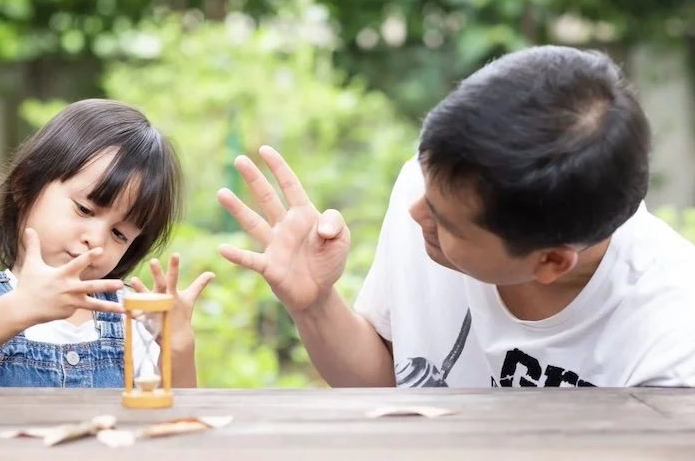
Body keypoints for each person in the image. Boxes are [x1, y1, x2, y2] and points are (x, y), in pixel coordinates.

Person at [217, 45, 695, 388]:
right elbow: (387, 382)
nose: (416, 212)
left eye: (447, 223)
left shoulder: (671, 339)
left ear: (550, 262)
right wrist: (315, 303)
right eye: (425, 186)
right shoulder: (434, 192)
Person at [0, 99, 214, 389]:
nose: (97, 239)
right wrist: (21, 307)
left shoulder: (128, 316)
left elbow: (175, 418)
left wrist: (178, 343)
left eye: (120, 234)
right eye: (85, 209)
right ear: (25, 187)